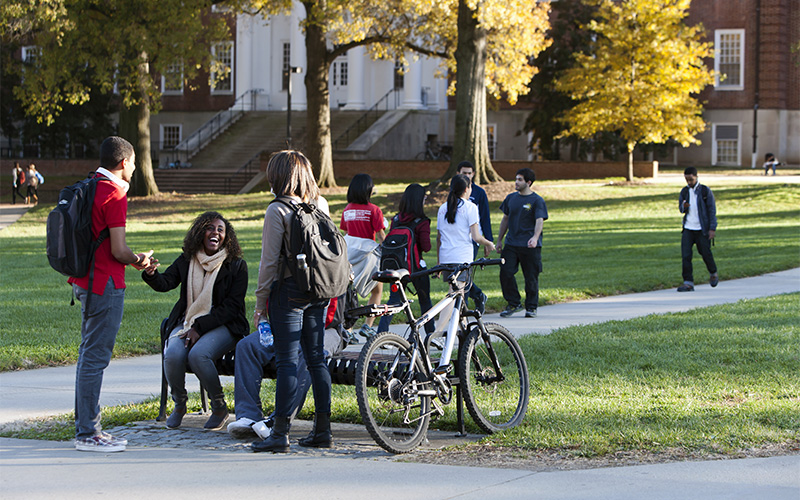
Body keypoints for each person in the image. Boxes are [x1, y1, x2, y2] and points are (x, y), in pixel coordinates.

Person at [68, 136, 154, 452]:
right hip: (104, 284)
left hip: (83, 281)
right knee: (95, 358)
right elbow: (118, 249)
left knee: (87, 356)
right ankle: (88, 433)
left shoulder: (89, 186)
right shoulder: (115, 193)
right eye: (133, 162)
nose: (134, 168)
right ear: (123, 163)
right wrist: (139, 260)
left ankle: (86, 428)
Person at [252, 150, 336, 453]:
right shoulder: (320, 204)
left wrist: (260, 304)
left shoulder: (278, 210)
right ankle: (323, 431)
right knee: (316, 359)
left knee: (287, 362)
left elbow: (269, 263)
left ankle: (280, 433)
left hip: (288, 292)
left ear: (278, 176)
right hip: (319, 290)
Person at [142, 211, 248, 431]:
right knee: (172, 353)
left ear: (226, 237)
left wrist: (200, 328)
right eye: (210, 228)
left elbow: (231, 308)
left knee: (199, 355)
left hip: (225, 325)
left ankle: (219, 406)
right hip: (189, 322)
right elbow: (166, 282)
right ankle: (179, 404)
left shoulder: (236, 265)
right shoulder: (187, 260)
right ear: (200, 232)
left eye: (221, 230)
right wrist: (152, 274)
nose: (215, 233)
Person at [437, 174, 495, 328]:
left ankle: (465, 333)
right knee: (453, 296)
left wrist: (438, 261)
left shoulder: (442, 208)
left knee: (459, 298)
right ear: (467, 189)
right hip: (461, 258)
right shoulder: (470, 207)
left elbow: (439, 237)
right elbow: (476, 237)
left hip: (446, 257)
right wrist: (489, 243)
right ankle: (437, 333)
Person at [377, 183, 435, 335]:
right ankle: (431, 334)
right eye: (424, 197)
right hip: (416, 268)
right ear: (419, 200)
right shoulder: (422, 222)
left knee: (394, 300)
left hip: (397, 266)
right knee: (425, 301)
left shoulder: (396, 219)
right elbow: (427, 247)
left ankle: (381, 332)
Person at [340, 173, 386, 340]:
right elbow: (381, 236)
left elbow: (345, 232)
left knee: (349, 294)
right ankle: (367, 325)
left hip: (349, 256)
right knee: (376, 290)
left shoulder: (347, 210)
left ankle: (348, 330)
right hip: (368, 257)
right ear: (368, 190)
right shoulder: (374, 210)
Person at [497, 168, 548, 318]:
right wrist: (499, 239)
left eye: (520, 180)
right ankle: (513, 303)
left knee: (531, 277)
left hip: (530, 245)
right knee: (505, 273)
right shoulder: (511, 198)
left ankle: (531, 307)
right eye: (516, 179)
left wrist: (535, 237)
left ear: (528, 182)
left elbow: (539, 221)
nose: (516, 182)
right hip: (511, 244)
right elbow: (505, 219)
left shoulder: (537, 201)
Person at [456, 161, 492, 314]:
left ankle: (465, 306)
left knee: (465, 272)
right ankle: (478, 295)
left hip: (473, 239)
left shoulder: (478, 192)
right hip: (457, 239)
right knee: (458, 274)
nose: (467, 176)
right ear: (458, 173)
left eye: (470, 173)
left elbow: (485, 217)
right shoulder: (454, 192)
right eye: (464, 173)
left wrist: (487, 241)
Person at [678, 167, 718, 292]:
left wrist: (712, 228)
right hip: (688, 228)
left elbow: (712, 210)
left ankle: (713, 272)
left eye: (691, 179)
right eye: (686, 179)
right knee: (686, 255)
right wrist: (683, 207)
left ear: (696, 177)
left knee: (705, 253)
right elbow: (681, 209)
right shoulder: (684, 192)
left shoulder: (705, 191)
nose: (689, 182)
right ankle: (688, 282)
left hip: (702, 229)